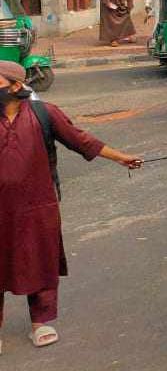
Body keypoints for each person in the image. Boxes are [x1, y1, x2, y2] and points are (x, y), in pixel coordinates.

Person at [0, 60, 142, 350]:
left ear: (15, 86)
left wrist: (119, 157)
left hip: (38, 205)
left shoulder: (44, 113)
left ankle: (40, 323)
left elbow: (81, 140)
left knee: (40, 260)